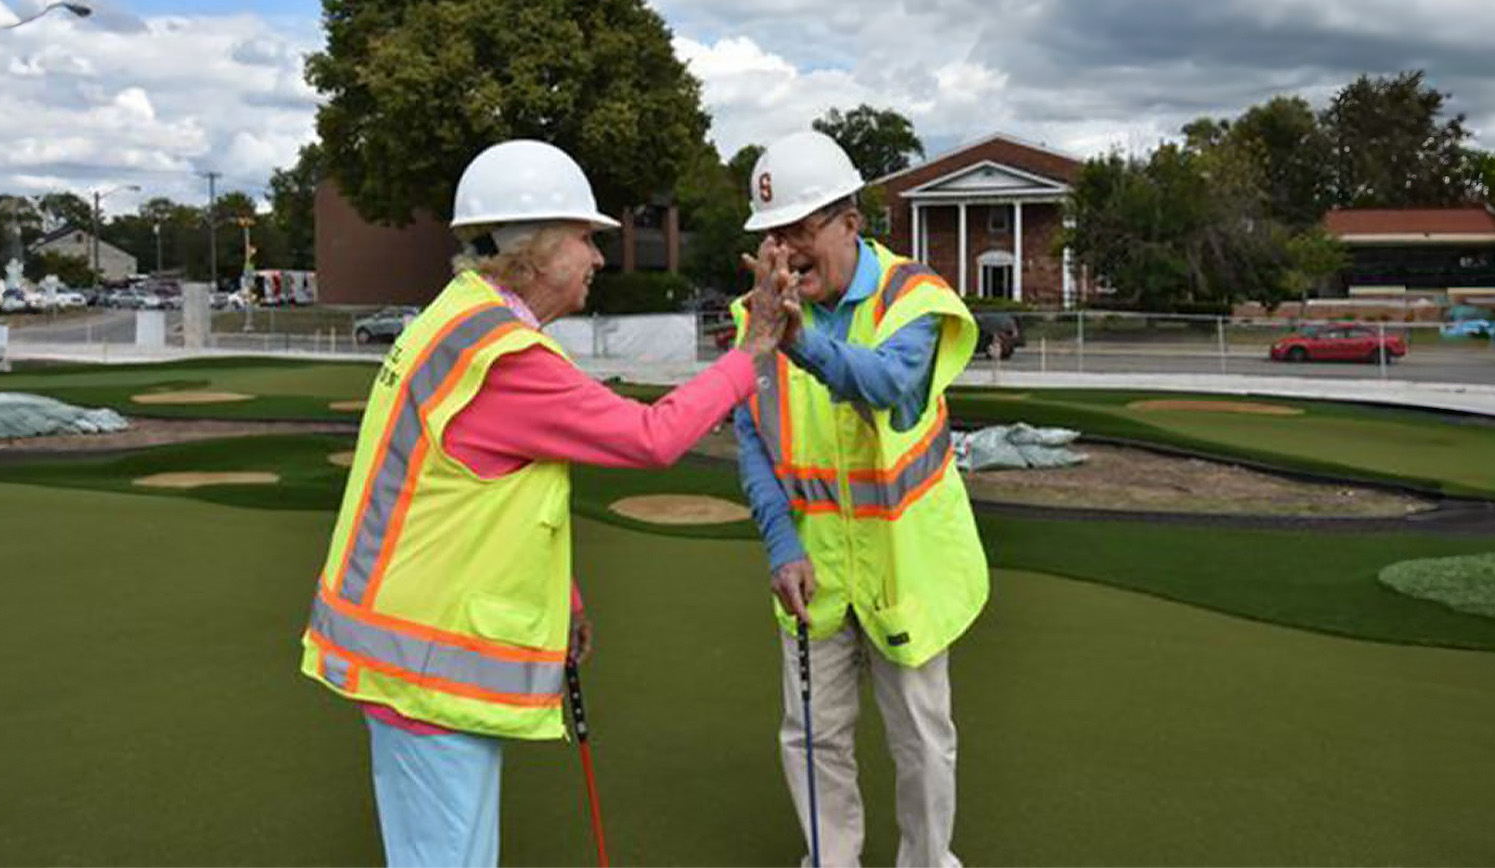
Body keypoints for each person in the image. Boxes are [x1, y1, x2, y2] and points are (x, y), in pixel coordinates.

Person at [300, 138, 793, 867]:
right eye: (585, 238)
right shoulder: (505, 358)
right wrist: (748, 355)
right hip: (423, 667)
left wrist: (560, 594)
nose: (598, 256)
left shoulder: (460, 319)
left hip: (408, 655)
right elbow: (653, 438)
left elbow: (495, 486)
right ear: (530, 252)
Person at [730, 131, 990, 868]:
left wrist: (796, 338)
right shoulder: (758, 315)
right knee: (811, 735)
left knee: (921, 739)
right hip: (815, 571)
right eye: (773, 234)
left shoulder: (916, 298)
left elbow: (890, 386)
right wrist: (780, 543)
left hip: (906, 570)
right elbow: (752, 436)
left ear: (850, 220)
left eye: (802, 229)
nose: (786, 249)